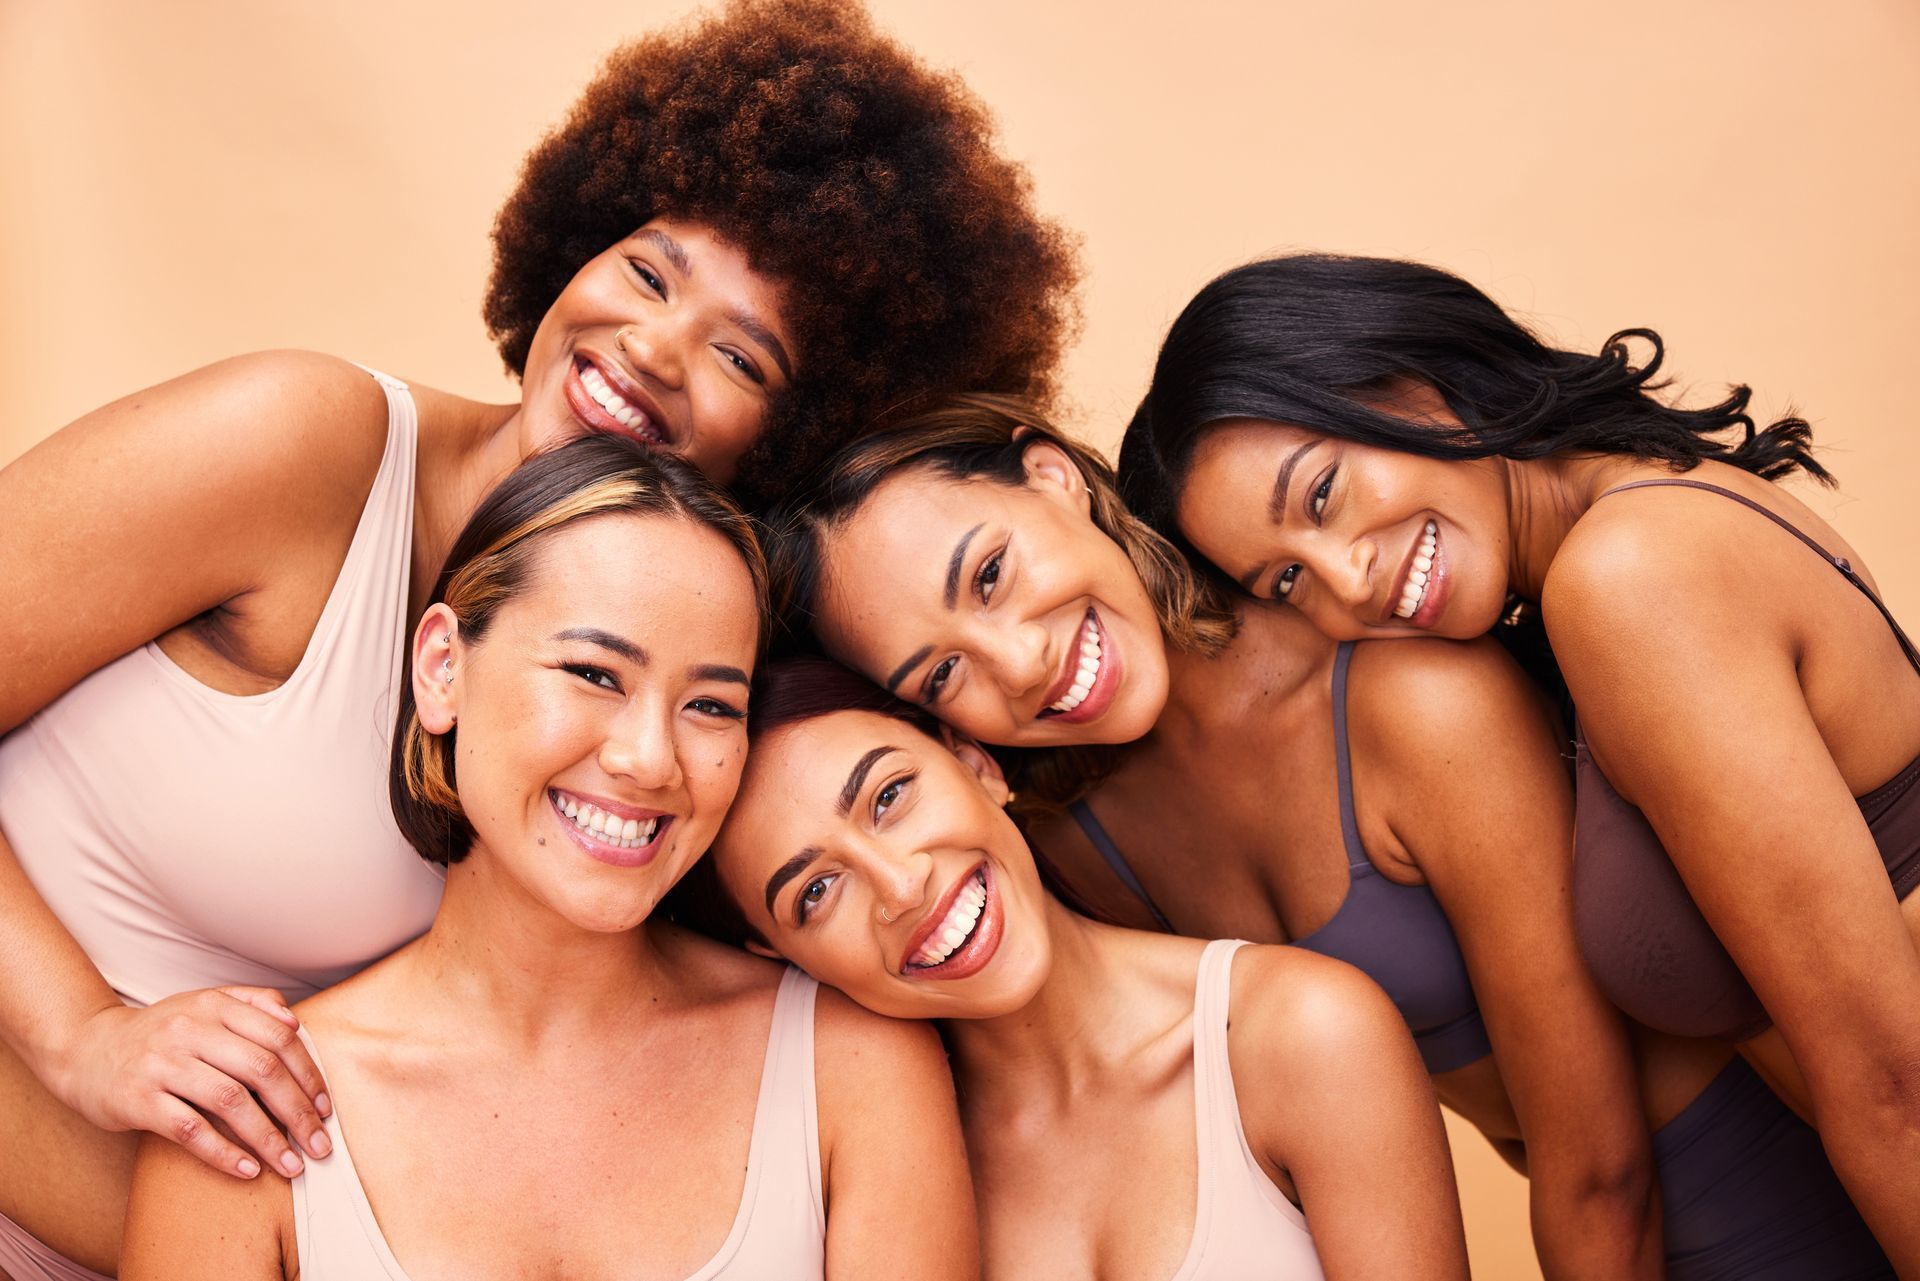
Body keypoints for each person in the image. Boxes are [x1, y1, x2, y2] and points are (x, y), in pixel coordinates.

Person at [0, 2, 1074, 1273]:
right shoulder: (303, 449)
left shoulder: (676, 710)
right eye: (646, 268)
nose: (653, 347)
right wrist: (77, 1033)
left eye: (743, 356)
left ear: (785, 445)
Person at [757, 396, 1896, 1279]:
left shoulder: (1414, 704)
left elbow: (1600, 1166)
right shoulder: (1068, 842)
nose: (1020, 661)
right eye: (943, 670)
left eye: (993, 574)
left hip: (1767, 1202)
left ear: (1054, 477)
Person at [1123, 252, 1920, 1269]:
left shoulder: (1631, 575)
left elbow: (1896, 1087)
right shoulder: (1625, 536)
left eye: (1322, 494)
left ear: (1416, 381)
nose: (1346, 581)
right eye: (1285, 581)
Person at [117, 436, 975, 1280]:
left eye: (711, 705)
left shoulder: (849, 1069)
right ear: (443, 667)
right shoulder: (247, 1111)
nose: (649, 758)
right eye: (596, 674)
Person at [684, 655, 1467, 1280]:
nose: (901, 885)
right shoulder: (877, 1179)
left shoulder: (1301, 1033)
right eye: (816, 891)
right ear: (779, 956)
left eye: (890, 796)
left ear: (976, 762)